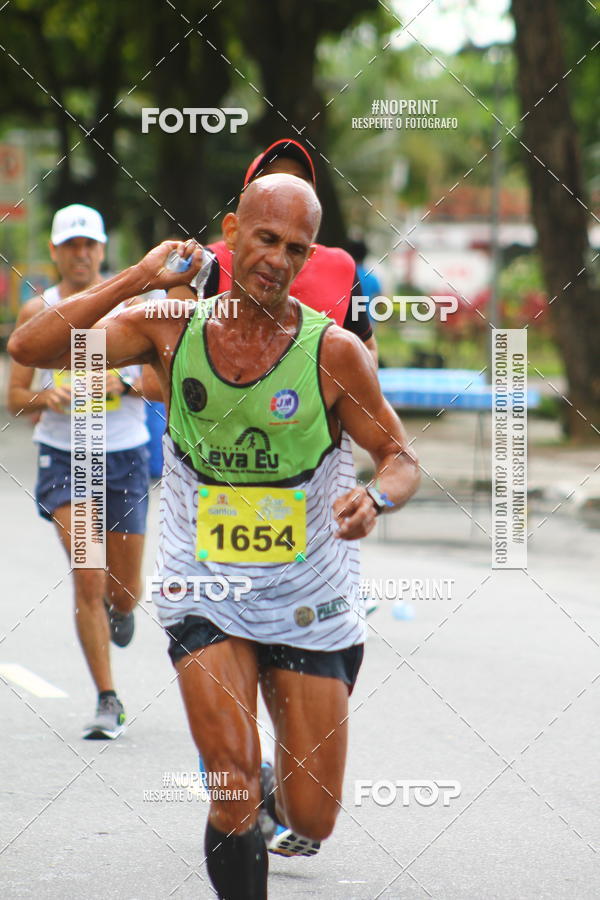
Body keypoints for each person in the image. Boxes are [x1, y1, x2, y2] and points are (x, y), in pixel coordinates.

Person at [8, 175, 420, 898]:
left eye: (296, 249)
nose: (278, 260)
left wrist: (376, 497)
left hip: (308, 593)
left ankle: (278, 784)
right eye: (266, 239)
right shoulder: (171, 326)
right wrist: (137, 277)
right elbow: (32, 344)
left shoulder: (333, 352)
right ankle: (244, 790)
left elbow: (400, 457)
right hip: (205, 585)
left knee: (311, 815)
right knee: (230, 786)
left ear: (309, 256)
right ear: (232, 233)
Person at [7, 204, 150, 740]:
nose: (81, 254)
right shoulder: (37, 311)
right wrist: (46, 396)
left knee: (123, 591)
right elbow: (14, 397)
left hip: (124, 454)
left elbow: (164, 385)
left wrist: (123, 384)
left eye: (89, 244)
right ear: (55, 251)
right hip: (66, 456)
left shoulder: (132, 307)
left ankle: (122, 608)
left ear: (103, 248)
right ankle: (107, 698)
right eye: (71, 245)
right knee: (88, 574)